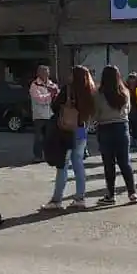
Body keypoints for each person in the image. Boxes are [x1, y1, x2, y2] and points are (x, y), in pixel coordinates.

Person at [41, 65, 96, 211]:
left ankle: (57, 200)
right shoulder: (90, 90)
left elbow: (55, 107)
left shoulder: (69, 89)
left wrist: (55, 95)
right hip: (82, 128)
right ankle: (80, 198)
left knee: (63, 164)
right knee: (78, 161)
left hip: (68, 128)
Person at [94, 65, 137, 205]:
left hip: (105, 127)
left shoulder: (99, 94)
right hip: (122, 127)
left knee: (109, 163)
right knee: (125, 162)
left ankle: (110, 195)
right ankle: (132, 193)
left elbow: (96, 113)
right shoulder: (124, 91)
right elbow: (129, 109)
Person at [29, 65, 58, 163]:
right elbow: (39, 99)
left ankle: (48, 155)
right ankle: (38, 156)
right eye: (44, 72)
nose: (46, 74)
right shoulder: (34, 85)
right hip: (39, 115)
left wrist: (55, 95)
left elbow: (58, 97)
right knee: (39, 137)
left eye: (47, 72)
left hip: (50, 115)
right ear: (39, 73)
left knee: (49, 137)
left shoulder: (52, 84)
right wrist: (51, 95)